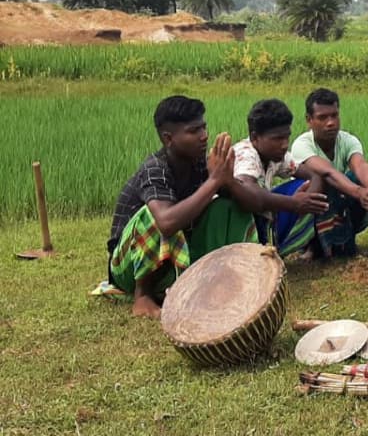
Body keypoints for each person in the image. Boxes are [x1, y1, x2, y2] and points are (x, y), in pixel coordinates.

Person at [100, 96, 256, 318]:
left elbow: (252, 204)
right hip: (128, 268)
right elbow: (166, 223)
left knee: (227, 206)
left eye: (204, 127)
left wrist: (227, 180)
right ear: (168, 139)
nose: (204, 136)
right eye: (194, 131)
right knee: (153, 215)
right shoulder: (155, 169)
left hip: (175, 258)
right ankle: (142, 295)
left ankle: (231, 277)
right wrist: (213, 182)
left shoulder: (201, 162)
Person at [284, 88, 368, 259]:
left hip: (337, 201)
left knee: (355, 179)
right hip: (311, 208)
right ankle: (312, 244)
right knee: (325, 183)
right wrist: (359, 192)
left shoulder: (348, 140)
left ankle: (344, 241)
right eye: (322, 117)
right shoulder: (302, 145)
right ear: (309, 120)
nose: (330, 123)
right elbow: (327, 172)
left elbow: (360, 165)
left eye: (334, 115)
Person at [229, 99, 329, 256]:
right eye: (277, 139)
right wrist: (294, 203)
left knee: (302, 185)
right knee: (257, 202)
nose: (284, 145)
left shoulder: (276, 155)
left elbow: (313, 174)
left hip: (264, 217)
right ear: (255, 138)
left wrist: (307, 200)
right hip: (239, 224)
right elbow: (249, 193)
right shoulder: (246, 155)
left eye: (286, 137)